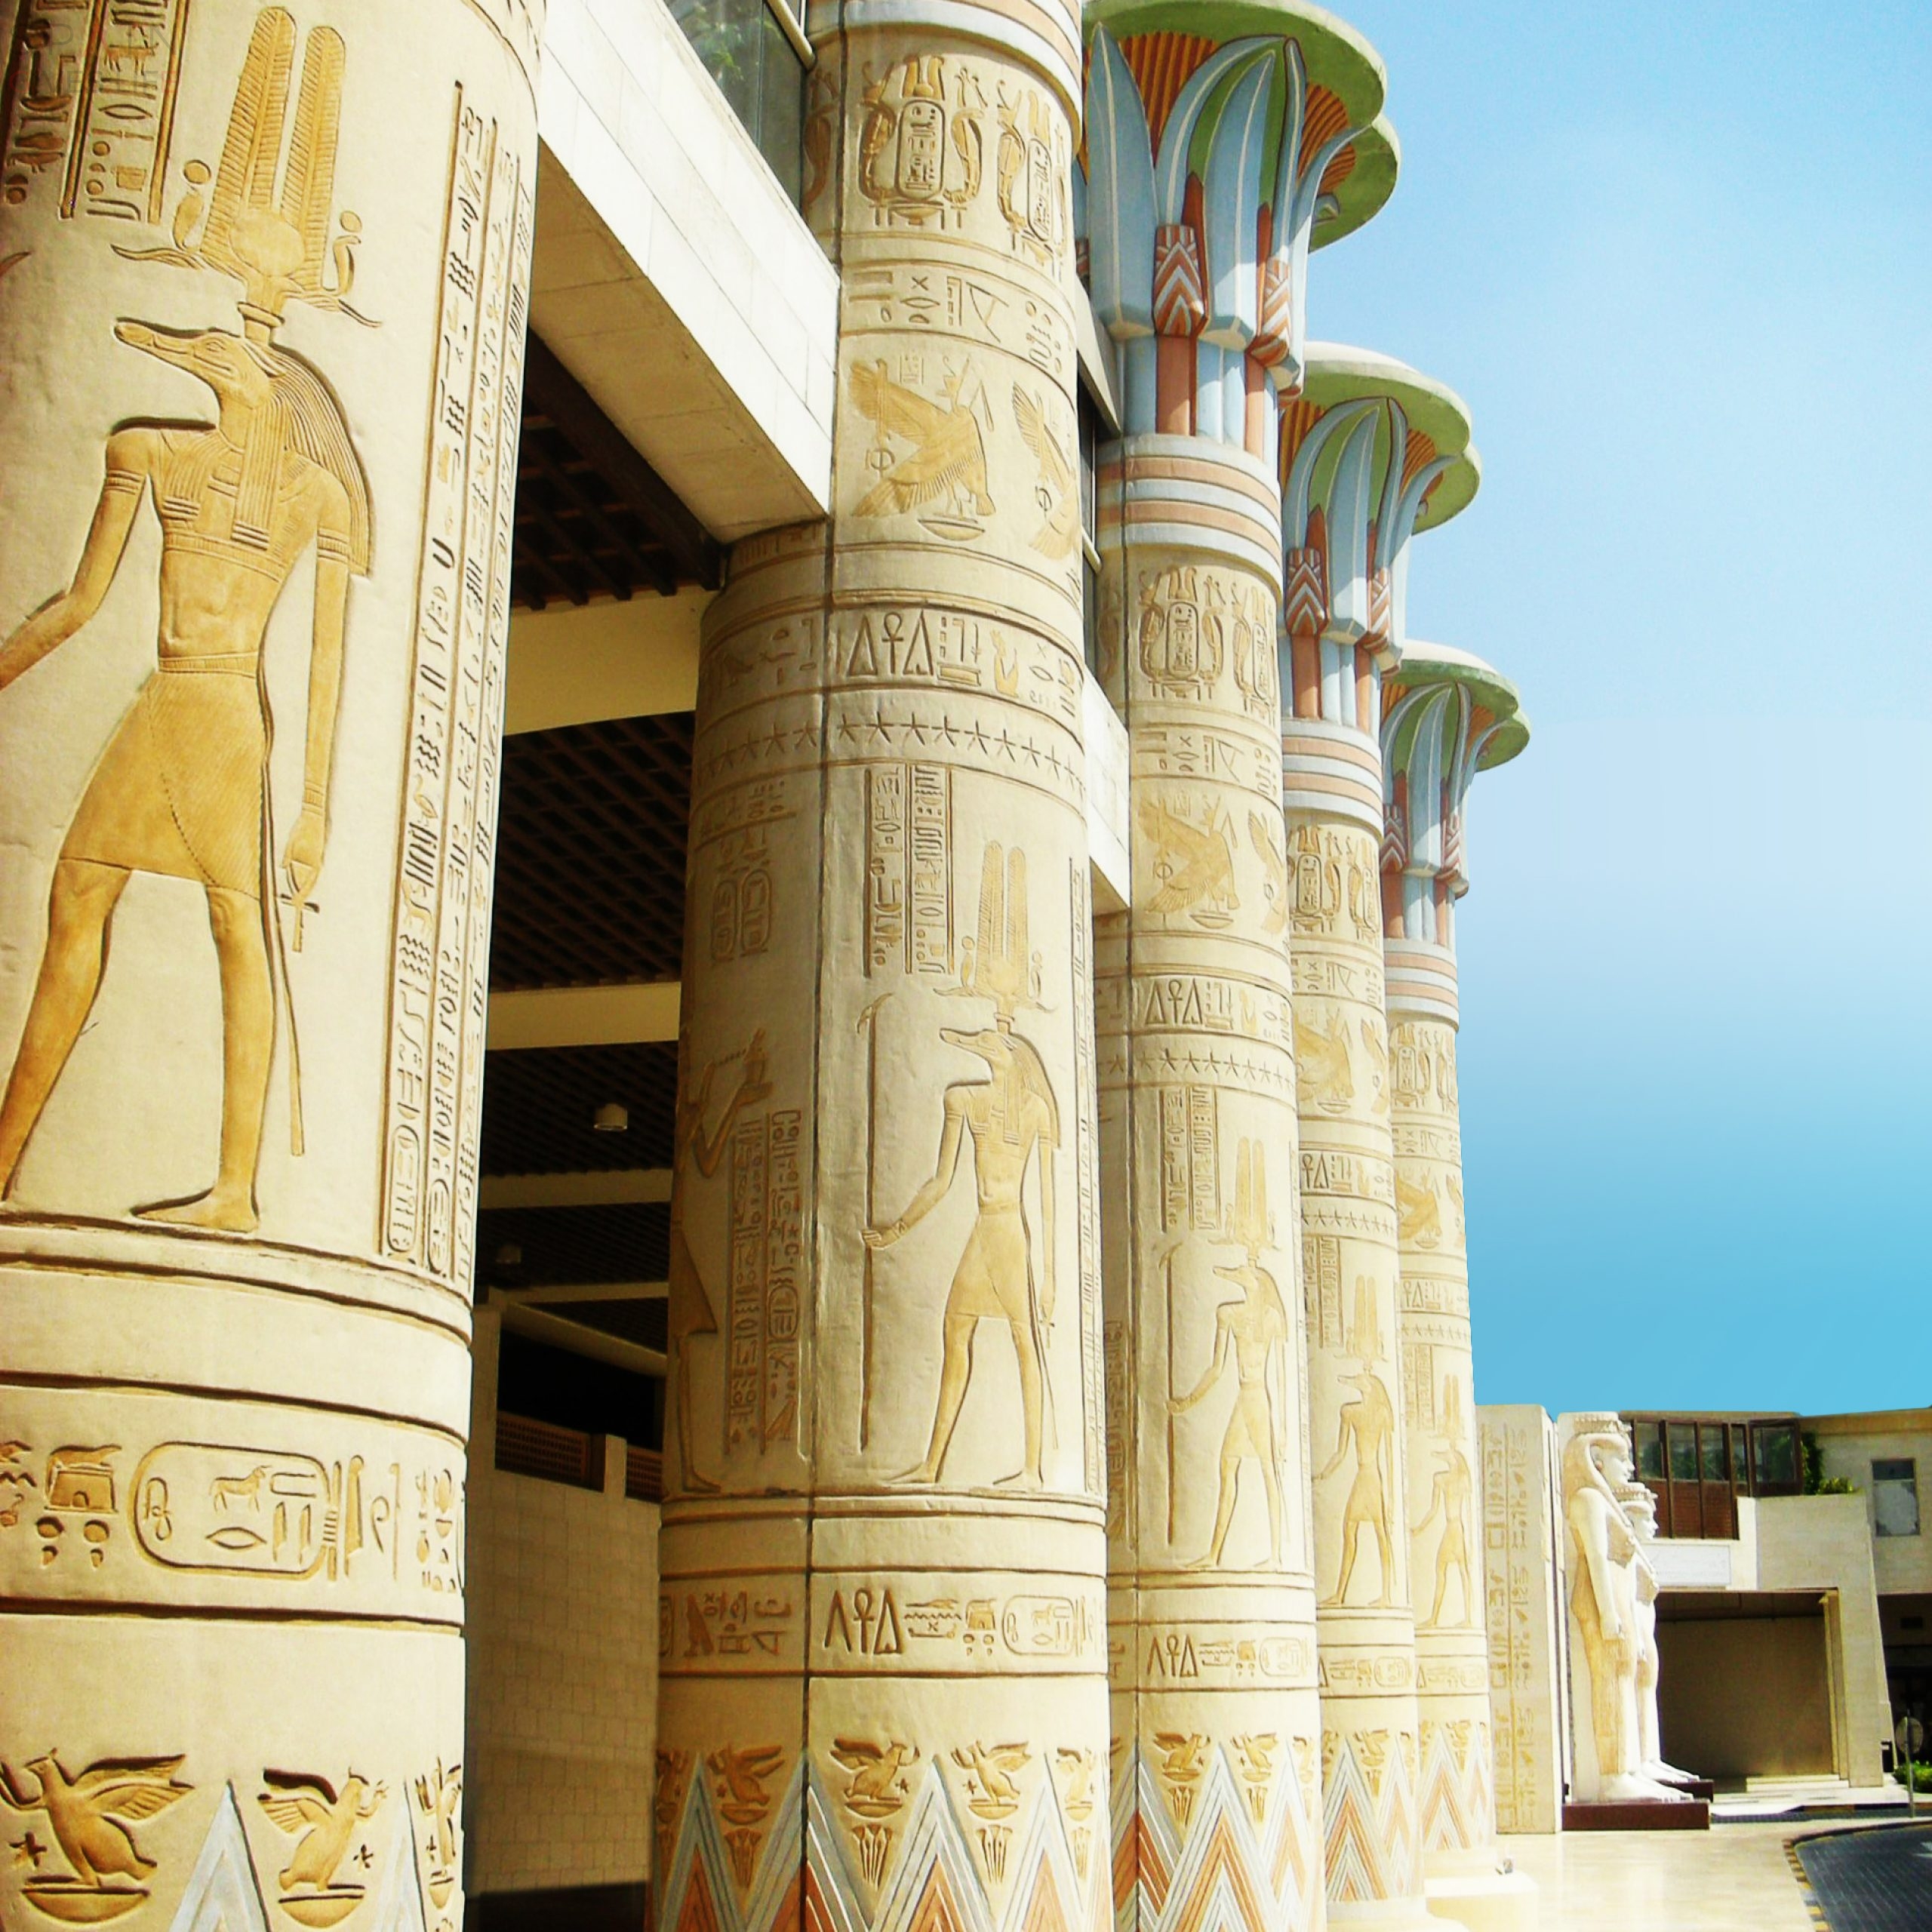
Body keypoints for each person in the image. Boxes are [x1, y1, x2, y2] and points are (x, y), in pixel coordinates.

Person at [0, 320, 368, 1232]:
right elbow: (78, 603)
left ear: (273, 387)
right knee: (78, 894)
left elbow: (326, 662)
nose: (199, 361)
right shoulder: (150, 451)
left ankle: (235, 1192)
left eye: (219, 356)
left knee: (237, 925)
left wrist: (314, 808)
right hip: (163, 703)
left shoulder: (315, 493)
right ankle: (4, 1158)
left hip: (226, 715)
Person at [865, 1022, 1057, 1487]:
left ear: (1015, 1058)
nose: (983, 1051)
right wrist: (897, 1229)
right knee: (955, 1330)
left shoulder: (1035, 1109)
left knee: (1025, 1342)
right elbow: (941, 1180)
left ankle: (1033, 1470)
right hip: (984, 1230)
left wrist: (1050, 1276)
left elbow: (1048, 1199)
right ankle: (932, 1465)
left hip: (1010, 1234)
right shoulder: (964, 1100)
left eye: (991, 1046)